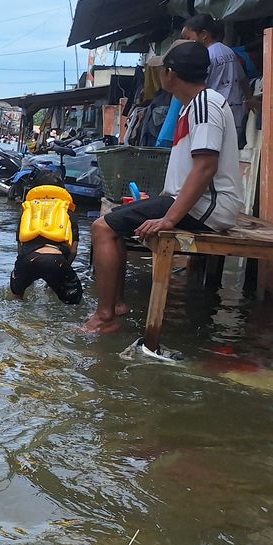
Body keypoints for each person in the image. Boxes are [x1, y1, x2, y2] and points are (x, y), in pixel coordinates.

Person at [85, 41, 244, 334]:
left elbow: (205, 166)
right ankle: (116, 305)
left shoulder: (204, 105)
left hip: (207, 208)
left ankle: (104, 318)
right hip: (196, 203)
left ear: (170, 73)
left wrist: (168, 218)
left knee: (102, 228)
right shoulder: (195, 105)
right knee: (117, 221)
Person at [9, 171, 82, 304]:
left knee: (17, 297)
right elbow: (73, 251)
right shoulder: (67, 213)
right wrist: (63, 267)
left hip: (28, 260)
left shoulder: (27, 212)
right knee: (73, 302)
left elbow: (20, 250)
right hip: (55, 260)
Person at [181, 14, 249, 147]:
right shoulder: (229, 52)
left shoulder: (204, 57)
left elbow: (197, 88)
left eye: (188, 38)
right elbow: (243, 80)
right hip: (234, 112)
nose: (187, 43)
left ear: (204, 35)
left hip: (212, 115)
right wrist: (249, 98)